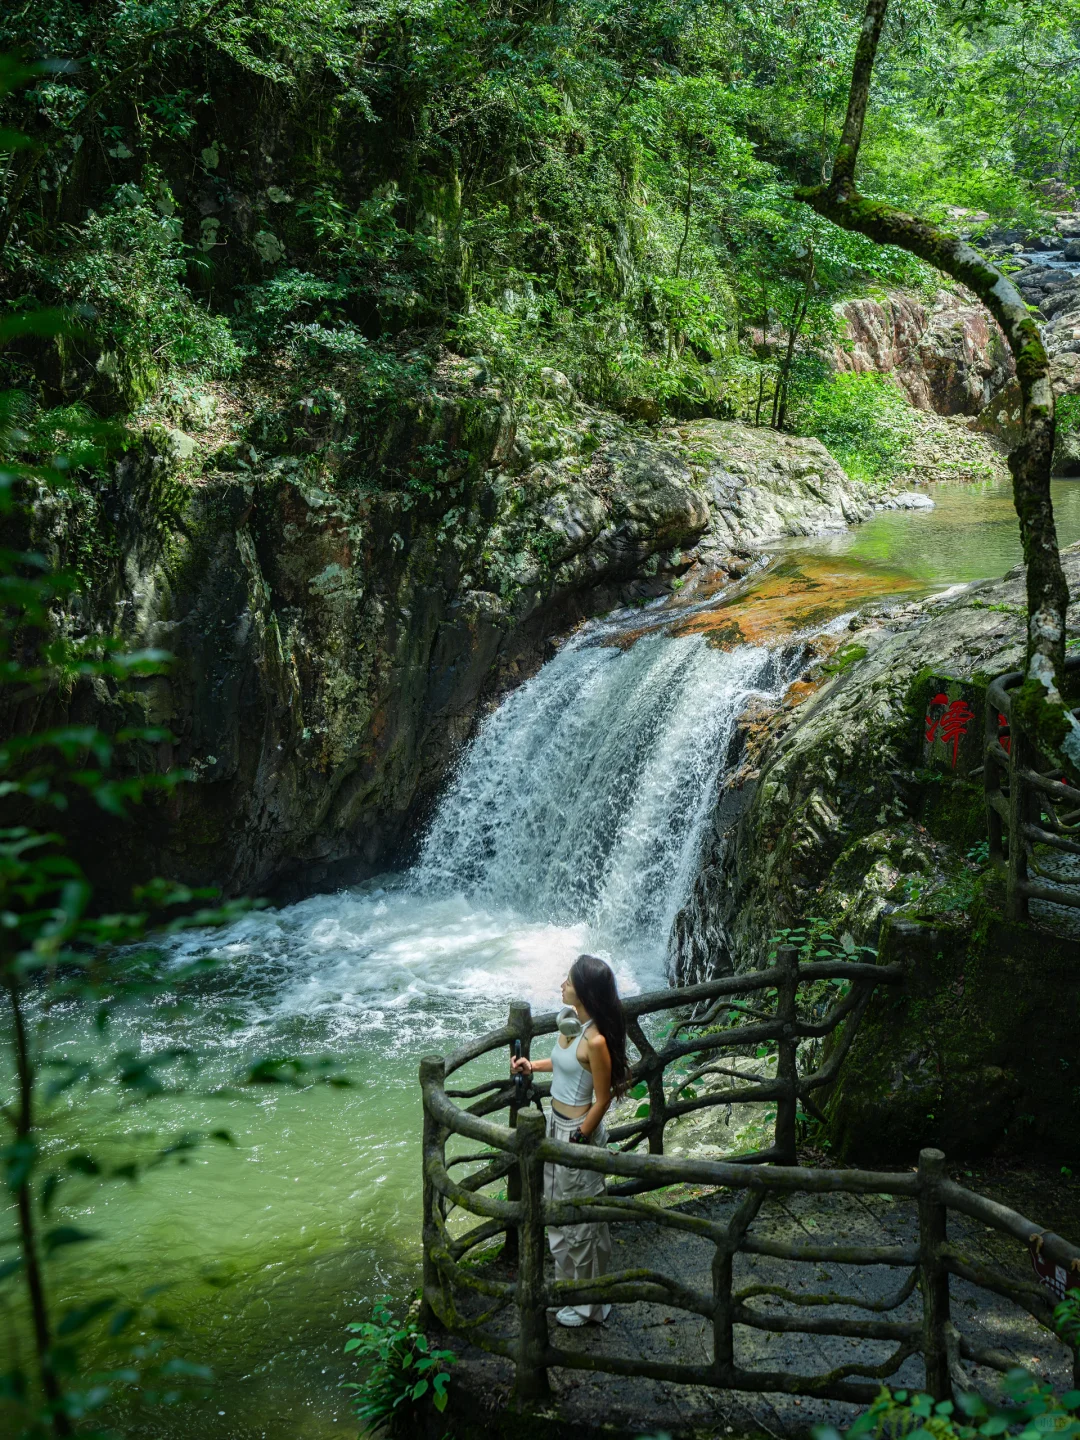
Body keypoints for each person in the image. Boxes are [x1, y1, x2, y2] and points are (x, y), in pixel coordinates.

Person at [510, 953, 630, 1327]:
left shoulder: (595, 1041)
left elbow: (604, 1096)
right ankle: (570, 1294)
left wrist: (579, 1137)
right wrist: (533, 1065)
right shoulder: (570, 1025)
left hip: (576, 1131)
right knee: (558, 1216)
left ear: (585, 992)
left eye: (568, 981)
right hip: (554, 1125)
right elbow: (563, 1064)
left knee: (581, 1221)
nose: (561, 984)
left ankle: (591, 1306)